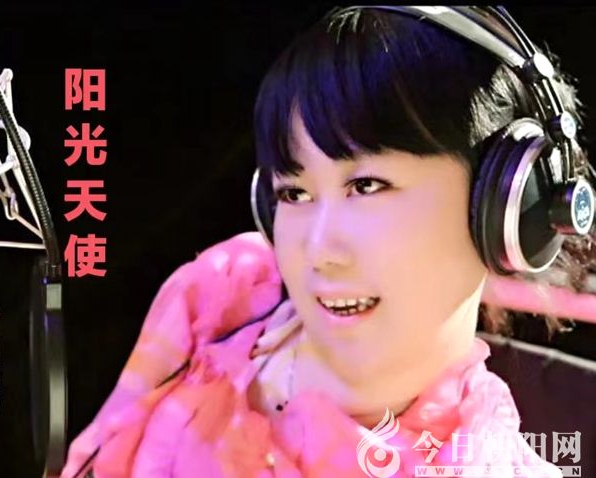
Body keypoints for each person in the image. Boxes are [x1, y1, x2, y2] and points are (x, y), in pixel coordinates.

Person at [61, 6, 595, 477]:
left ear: (508, 210)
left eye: (367, 186)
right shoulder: (227, 291)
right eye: (294, 193)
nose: (316, 251)